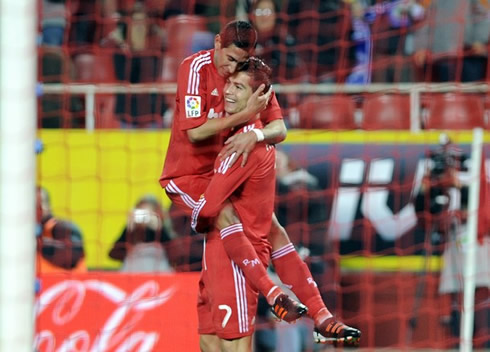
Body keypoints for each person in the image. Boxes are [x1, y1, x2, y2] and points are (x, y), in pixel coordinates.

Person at [159, 20, 360, 345]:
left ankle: (321, 314)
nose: (229, 71)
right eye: (226, 60)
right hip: (188, 178)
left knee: (273, 227)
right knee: (223, 214)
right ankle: (272, 290)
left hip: (226, 171)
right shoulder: (194, 69)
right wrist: (246, 117)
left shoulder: (250, 76)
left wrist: (255, 132)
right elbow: (194, 133)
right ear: (216, 44)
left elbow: (279, 129)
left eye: (238, 64)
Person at [413, 0, 490, 82]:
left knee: (471, 89)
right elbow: (424, 22)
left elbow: (483, 16)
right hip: (442, 56)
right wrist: (421, 47)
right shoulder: (430, 2)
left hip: (469, 55)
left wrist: (479, 40)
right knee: (447, 90)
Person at [108, 195, 179, 272]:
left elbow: (176, 256)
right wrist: (129, 231)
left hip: (160, 276)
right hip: (133, 276)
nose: (145, 217)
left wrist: (160, 230)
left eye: (149, 213)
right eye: (141, 213)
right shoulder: (132, 231)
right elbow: (113, 254)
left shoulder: (165, 230)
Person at [36, 186, 87, 273]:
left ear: (45, 207)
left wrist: (37, 244)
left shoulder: (61, 227)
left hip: (66, 284)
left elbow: (71, 256)